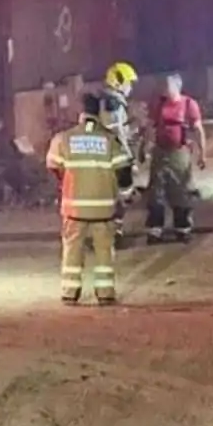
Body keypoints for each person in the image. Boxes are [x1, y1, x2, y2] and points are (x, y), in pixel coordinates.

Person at [46, 92, 134, 305]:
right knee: (104, 251)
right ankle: (105, 293)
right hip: (104, 210)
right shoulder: (109, 139)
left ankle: (70, 291)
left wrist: (68, 183)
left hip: (74, 209)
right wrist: (123, 194)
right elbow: (124, 171)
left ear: (80, 113)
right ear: (99, 113)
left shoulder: (63, 138)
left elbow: (53, 166)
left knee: (72, 250)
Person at [142, 72, 205, 244]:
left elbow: (198, 130)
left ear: (177, 86)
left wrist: (202, 154)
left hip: (179, 153)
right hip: (160, 152)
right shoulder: (159, 104)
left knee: (181, 190)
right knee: (156, 192)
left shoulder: (188, 104)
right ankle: (155, 230)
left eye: (167, 85)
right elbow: (149, 127)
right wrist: (143, 148)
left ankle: (182, 228)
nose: (164, 88)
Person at [99, 61, 140, 240]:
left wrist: (131, 131)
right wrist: (129, 158)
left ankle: (112, 231)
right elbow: (115, 132)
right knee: (121, 196)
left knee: (117, 196)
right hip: (114, 158)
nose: (130, 87)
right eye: (128, 83)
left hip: (108, 156)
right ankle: (111, 233)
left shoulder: (110, 101)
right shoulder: (112, 103)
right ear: (118, 81)